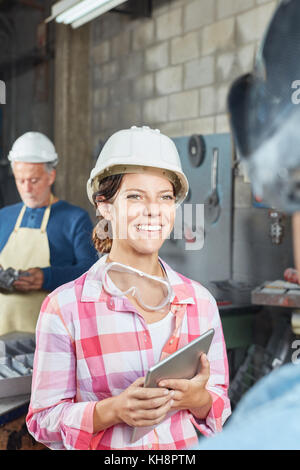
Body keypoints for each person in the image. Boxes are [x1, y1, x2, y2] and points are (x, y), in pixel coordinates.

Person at [25, 125, 231, 450]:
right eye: (135, 196)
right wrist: (112, 410)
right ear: (105, 205)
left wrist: (198, 398)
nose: (153, 210)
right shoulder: (65, 308)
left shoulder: (199, 302)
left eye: (165, 197)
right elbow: (42, 421)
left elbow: (219, 403)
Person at [0, 131, 98, 335]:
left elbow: (91, 274)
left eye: (34, 180)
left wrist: (47, 277)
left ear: (50, 176)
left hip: (50, 336)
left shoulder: (75, 218)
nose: (26, 188)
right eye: (20, 180)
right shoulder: (4, 216)